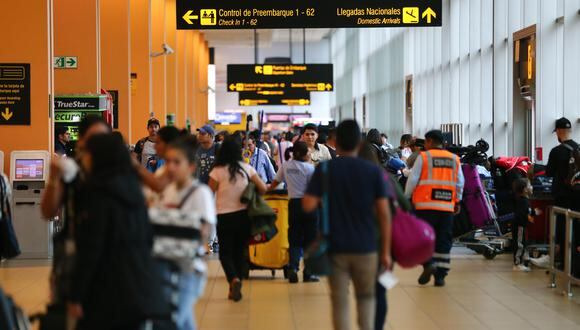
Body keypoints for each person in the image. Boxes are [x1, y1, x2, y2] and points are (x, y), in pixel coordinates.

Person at [68, 133, 167, 329]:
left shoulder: (97, 194)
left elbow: (92, 248)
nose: (83, 159)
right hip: (139, 284)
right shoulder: (133, 191)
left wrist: (76, 294)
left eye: (86, 154)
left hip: (107, 288)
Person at [303, 120, 392, 330]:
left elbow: (307, 205)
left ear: (336, 141)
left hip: (336, 248)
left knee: (340, 302)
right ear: (360, 143)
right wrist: (386, 252)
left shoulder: (324, 170)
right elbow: (384, 214)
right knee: (366, 299)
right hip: (367, 247)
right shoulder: (373, 172)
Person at [41, 115, 112, 304]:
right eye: (92, 139)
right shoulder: (71, 171)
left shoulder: (120, 172)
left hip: (112, 258)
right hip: (75, 257)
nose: (98, 146)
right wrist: (54, 179)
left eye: (103, 140)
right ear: (81, 141)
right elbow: (48, 211)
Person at [155, 136, 216, 329]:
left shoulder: (201, 193)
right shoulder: (167, 191)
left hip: (188, 270)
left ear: (190, 167)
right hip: (164, 268)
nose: (170, 167)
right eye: (168, 161)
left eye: (177, 162)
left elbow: (204, 233)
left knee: (173, 319)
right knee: (182, 321)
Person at [208, 138, 267, 302]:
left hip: (224, 216)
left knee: (225, 253)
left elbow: (208, 193)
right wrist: (251, 193)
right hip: (244, 216)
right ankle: (238, 281)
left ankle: (233, 280)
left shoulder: (217, 171)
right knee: (240, 252)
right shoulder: (247, 168)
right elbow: (263, 188)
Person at [405, 130, 464, 287]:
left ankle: (428, 262)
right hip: (446, 206)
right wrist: (457, 201)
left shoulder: (424, 157)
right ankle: (440, 276)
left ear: (430, 141)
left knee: (423, 237)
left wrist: (407, 197)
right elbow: (460, 183)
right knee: (443, 239)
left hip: (425, 206)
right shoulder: (454, 159)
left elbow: (413, 179)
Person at [268, 141, 319, 284]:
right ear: (302, 154)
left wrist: (265, 191)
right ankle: (308, 273)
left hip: (293, 205)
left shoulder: (286, 166)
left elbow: (274, 183)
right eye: (308, 152)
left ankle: (293, 269)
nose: (310, 154)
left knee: (294, 238)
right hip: (309, 205)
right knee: (310, 240)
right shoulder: (310, 169)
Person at [533, 117, 580, 269]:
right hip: (577, 197)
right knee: (576, 229)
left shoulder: (556, 151)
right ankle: (573, 263)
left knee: (561, 228)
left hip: (562, 197)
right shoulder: (579, 149)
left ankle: (557, 259)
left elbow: (549, 172)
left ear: (559, 131)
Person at [512, 178, 535, 272]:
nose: (532, 187)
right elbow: (522, 214)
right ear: (525, 189)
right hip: (519, 226)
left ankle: (524, 259)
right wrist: (529, 217)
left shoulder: (524, 200)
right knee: (519, 245)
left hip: (522, 226)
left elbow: (527, 212)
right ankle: (517, 264)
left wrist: (533, 213)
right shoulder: (523, 201)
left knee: (523, 243)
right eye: (530, 185)